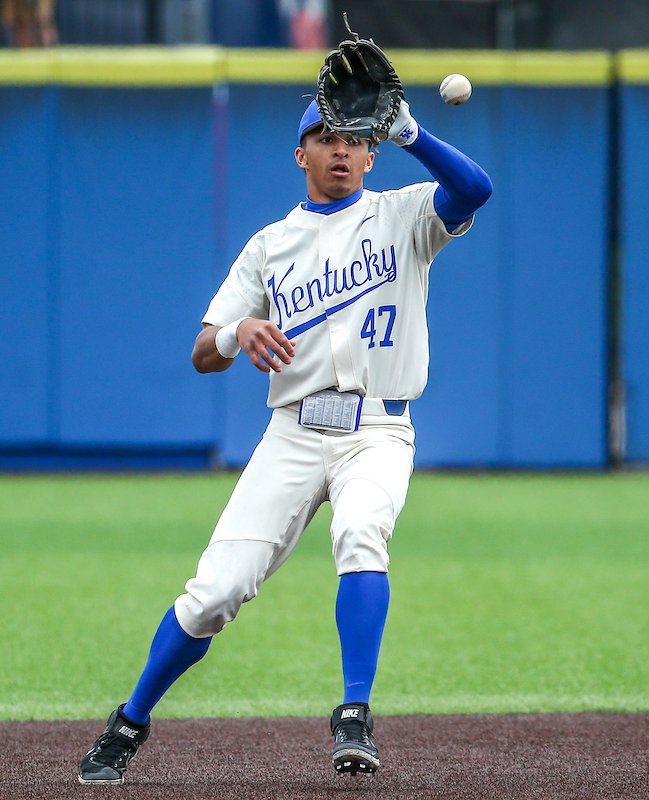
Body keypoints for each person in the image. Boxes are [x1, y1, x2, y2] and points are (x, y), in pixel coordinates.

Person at [77, 93, 492, 785]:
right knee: (214, 593)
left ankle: (354, 712)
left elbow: (474, 189)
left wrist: (410, 131)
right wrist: (237, 331)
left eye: (353, 138)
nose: (340, 148)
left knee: (361, 533)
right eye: (324, 137)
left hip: (378, 429)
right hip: (292, 434)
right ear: (301, 154)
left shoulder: (405, 216)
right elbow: (203, 352)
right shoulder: (269, 245)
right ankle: (129, 721)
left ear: (371, 153)